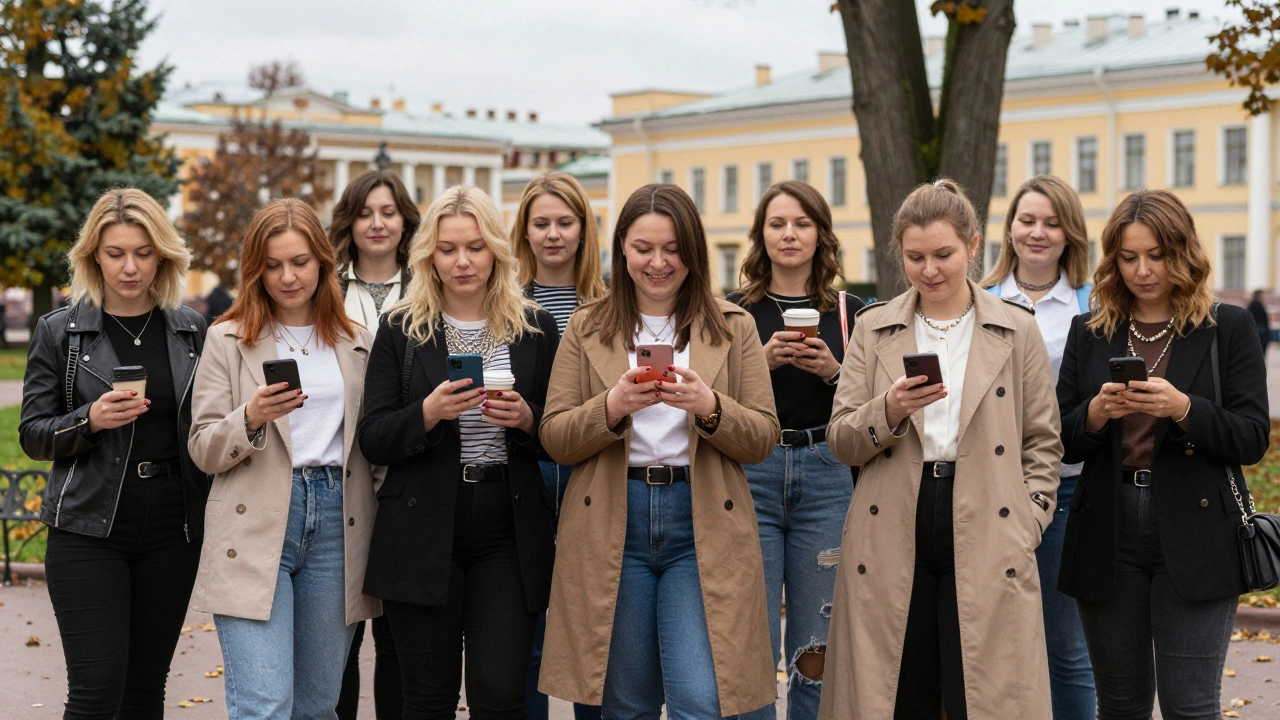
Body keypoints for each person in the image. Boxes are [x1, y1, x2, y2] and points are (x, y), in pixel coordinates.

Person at [820, 179, 1062, 719]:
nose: (930, 270)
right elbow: (841, 439)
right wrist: (890, 408)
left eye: (944, 254)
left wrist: (1030, 519)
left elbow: (1043, 441)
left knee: (983, 688)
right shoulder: (873, 328)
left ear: (974, 246)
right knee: (900, 691)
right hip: (894, 520)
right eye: (915, 257)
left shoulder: (1016, 329)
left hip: (989, 518)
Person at [539, 183, 780, 719]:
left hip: (701, 520)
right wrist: (612, 405)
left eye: (672, 249)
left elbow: (763, 435)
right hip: (611, 519)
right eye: (644, 248)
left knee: (702, 695)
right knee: (626, 703)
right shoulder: (586, 326)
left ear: (693, 252)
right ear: (621, 247)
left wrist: (709, 405)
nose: (658, 262)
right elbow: (554, 435)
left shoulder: (733, 325)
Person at [1056, 189, 1269, 720]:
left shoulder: (1228, 327)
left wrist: (1183, 408)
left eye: (1157, 255)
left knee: (1191, 706)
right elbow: (1059, 438)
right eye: (1129, 258)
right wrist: (1097, 414)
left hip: (1199, 531)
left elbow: (1252, 437)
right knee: (1120, 707)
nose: (1143, 270)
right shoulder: (1089, 332)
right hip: (1108, 527)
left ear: (1184, 253)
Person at [358, 184, 559, 719]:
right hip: (422, 524)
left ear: (496, 249)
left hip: (506, 526)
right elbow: (373, 436)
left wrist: (525, 421)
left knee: (500, 692)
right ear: (429, 255)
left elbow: (561, 435)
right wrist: (428, 413)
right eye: (448, 249)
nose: (462, 261)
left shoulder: (535, 327)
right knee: (426, 696)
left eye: (475, 247)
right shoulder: (402, 327)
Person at [187, 198, 380, 719]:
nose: (287, 276)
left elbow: (373, 448)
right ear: (255, 270)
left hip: (339, 521)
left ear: (323, 262)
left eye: (299, 261)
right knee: (266, 704)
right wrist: (248, 417)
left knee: (318, 705)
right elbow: (203, 447)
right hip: (256, 518)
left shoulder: (357, 343)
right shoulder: (226, 339)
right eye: (272, 265)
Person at [19, 188, 208, 718]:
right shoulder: (61, 332)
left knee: (146, 691)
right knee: (97, 692)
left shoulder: (191, 330)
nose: (130, 267)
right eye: (116, 253)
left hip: (172, 529)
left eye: (143, 253)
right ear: (94, 256)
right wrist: (90, 419)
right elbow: (33, 433)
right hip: (88, 527)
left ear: (163, 255)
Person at [728, 180, 862, 720]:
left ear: (821, 234)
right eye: (778, 223)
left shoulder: (854, 311)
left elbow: (871, 406)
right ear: (761, 235)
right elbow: (711, 403)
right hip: (750, 471)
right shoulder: (733, 311)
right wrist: (761, 362)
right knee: (748, 640)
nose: (789, 234)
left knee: (818, 646)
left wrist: (834, 371)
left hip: (827, 470)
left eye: (802, 223)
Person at [979, 174, 1095, 720]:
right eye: (1027, 220)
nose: (1038, 233)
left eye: (1051, 222)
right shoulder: (979, 302)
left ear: (1070, 233)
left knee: (1064, 646)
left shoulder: (1091, 308)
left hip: (1067, 491)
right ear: (1009, 229)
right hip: (987, 490)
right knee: (991, 643)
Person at [509, 170, 607, 720]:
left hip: (592, 475)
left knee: (594, 629)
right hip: (527, 472)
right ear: (523, 231)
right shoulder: (506, 304)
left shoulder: (609, 303)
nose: (553, 234)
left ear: (583, 230)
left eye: (565, 222)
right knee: (530, 627)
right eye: (540, 223)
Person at [329, 168, 420, 720]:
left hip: (407, 471)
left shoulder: (427, 286)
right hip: (342, 473)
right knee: (338, 639)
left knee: (398, 640)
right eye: (365, 213)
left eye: (388, 212)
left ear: (405, 220)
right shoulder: (325, 287)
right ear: (350, 221)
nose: (378, 223)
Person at [1248, 289, 1270, 356]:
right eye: (1261, 296)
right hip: (1259, 332)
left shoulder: (1259, 305)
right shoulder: (1253, 305)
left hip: (1261, 332)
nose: (1263, 298)